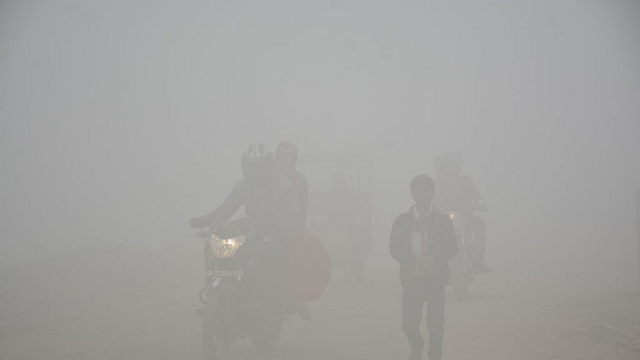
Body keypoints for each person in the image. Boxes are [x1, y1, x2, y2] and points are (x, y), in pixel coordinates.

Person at [190, 143, 310, 318]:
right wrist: (203, 220)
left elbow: (297, 218)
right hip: (250, 226)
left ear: (268, 166)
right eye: (251, 167)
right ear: (244, 166)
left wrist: (278, 225)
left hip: (275, 230)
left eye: (259, 167)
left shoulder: (282, 185)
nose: (255, 172)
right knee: (212, 245)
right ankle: (215, 286)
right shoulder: (242, 186)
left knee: (271, 254)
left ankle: (282, 299)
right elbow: (225, 210)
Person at [390, 174, 458, 360]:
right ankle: (417, 345)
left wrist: (434, 259)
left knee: (436, 325)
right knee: (409, 324)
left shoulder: (444, 221)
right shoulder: (402, 220)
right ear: (413, 194)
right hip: (411, 278)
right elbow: (394, 248)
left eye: (427, 190)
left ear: (433, 193)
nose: (423, 195)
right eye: (419, 191)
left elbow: (453, 248)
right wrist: (412, 261)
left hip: (436, 278)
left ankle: (435, 355)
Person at [432, 151, 491, 273]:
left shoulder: (465, 181)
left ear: (458, 167)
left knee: (480, 224)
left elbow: (476, 195)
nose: (451, 169)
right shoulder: (437, 182)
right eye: (447, 166)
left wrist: (480, 204)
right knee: (429, 229)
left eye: (453, 166)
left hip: (464, 215)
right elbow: (430, 197)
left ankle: (479, 260)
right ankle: (430, 260)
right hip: (442, 216)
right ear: (442, 168)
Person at [274, 140, 309, 224]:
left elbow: (302, 210)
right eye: (286, 155)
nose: (290, 158)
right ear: (278, 156)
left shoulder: (301, 180)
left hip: (290, 228)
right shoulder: (267, 177)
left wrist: (299, 227)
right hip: (265, 225)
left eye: (293, 155)